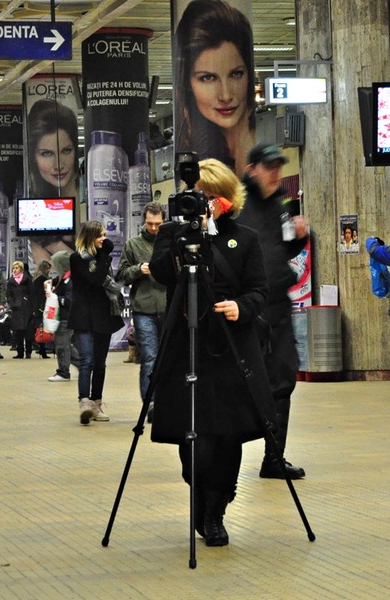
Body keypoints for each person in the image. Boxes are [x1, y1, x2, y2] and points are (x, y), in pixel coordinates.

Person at [149, 158, 276, 547]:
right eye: (198, 195)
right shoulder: (172, 234)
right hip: (186, 346)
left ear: (227, 198)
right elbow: (161, 274)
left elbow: (259, 290)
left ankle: (216, 510)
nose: (204, 202)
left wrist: (241, 306)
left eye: (211, 195)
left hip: (230, 349)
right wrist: (186, 237)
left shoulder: (245, 238)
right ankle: (199, 492)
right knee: (193, 441)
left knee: (227, 436)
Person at [235, 142, 309, 480]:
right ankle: (225, 460)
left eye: (279, 166)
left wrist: (299, 238)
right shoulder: (238, 206)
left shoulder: (278, 206)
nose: (275, 173)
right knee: (240, 386)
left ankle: (274, 458)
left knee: (282, 382)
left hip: (279, 308)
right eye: (269, 167)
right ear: (252, 170)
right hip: (249, 313)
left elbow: (278, 250)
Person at [174, 0, 255, 178]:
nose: (225, 95)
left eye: (236, 74)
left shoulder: (263, 156)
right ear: (188, 84)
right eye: (208, 78)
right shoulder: (190, 150)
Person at [67, 221, 124, 425]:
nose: (104, 239)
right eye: (100, 235)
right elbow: (94, 280)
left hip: (103, 315)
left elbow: (107, 282)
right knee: (87, 360)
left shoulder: (103, 258)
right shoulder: (77, 258)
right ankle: (85, 403)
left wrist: (103, 256)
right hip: (83, 315)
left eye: (104, 235)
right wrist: (103, 256)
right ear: (90, 237)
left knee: (100, 363)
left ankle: (97, 403)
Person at [116, 201, 167, 422]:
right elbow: (121, 274)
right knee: (149, 357)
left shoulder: (171, 243)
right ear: (144, 221)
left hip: (169, 308)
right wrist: (138, 269)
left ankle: (168, 402)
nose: (153, 228)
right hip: (143, 310)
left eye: (158, 224)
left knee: (169, 359)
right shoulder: (133, 244)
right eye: (150, 223)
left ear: (164, 221)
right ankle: (151, 404)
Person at [27, 99, 79, 264]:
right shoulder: (35, 212)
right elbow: (45, 269)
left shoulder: (94, 200)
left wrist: (54, 245)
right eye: (47, 154)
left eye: (66, 150)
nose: (58, 165)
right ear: (34, 158)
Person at [46, 250, 73, 382]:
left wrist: (54, 296)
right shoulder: (64, 278)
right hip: (64, 317)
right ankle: (85, 366)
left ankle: (63, 372)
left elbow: (69, 300)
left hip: (65, 318)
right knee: (68, 346)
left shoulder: (70, 280)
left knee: (62, 345)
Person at [6, 261, 35, 359]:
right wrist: (12, 303)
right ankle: (20, 352)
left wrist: (30, 305)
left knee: (28, 332)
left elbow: (32, 293)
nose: (14, 270)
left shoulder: (27, 279)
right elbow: (9, 295)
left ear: (21, 269)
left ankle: (28, 352)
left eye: (17, 268)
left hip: (27, 308)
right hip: (16, 309)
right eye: (13, 268)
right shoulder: (11, 282)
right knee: (18, 332)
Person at [32, 260, 52, 359]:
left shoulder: (36, 279)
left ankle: (41, 348)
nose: (49, 271)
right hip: (43, 305)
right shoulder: (44, 280)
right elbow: (46, 294)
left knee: (39, 327)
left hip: (37, 305)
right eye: (48, 269)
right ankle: (43, 349)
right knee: (43, 327)